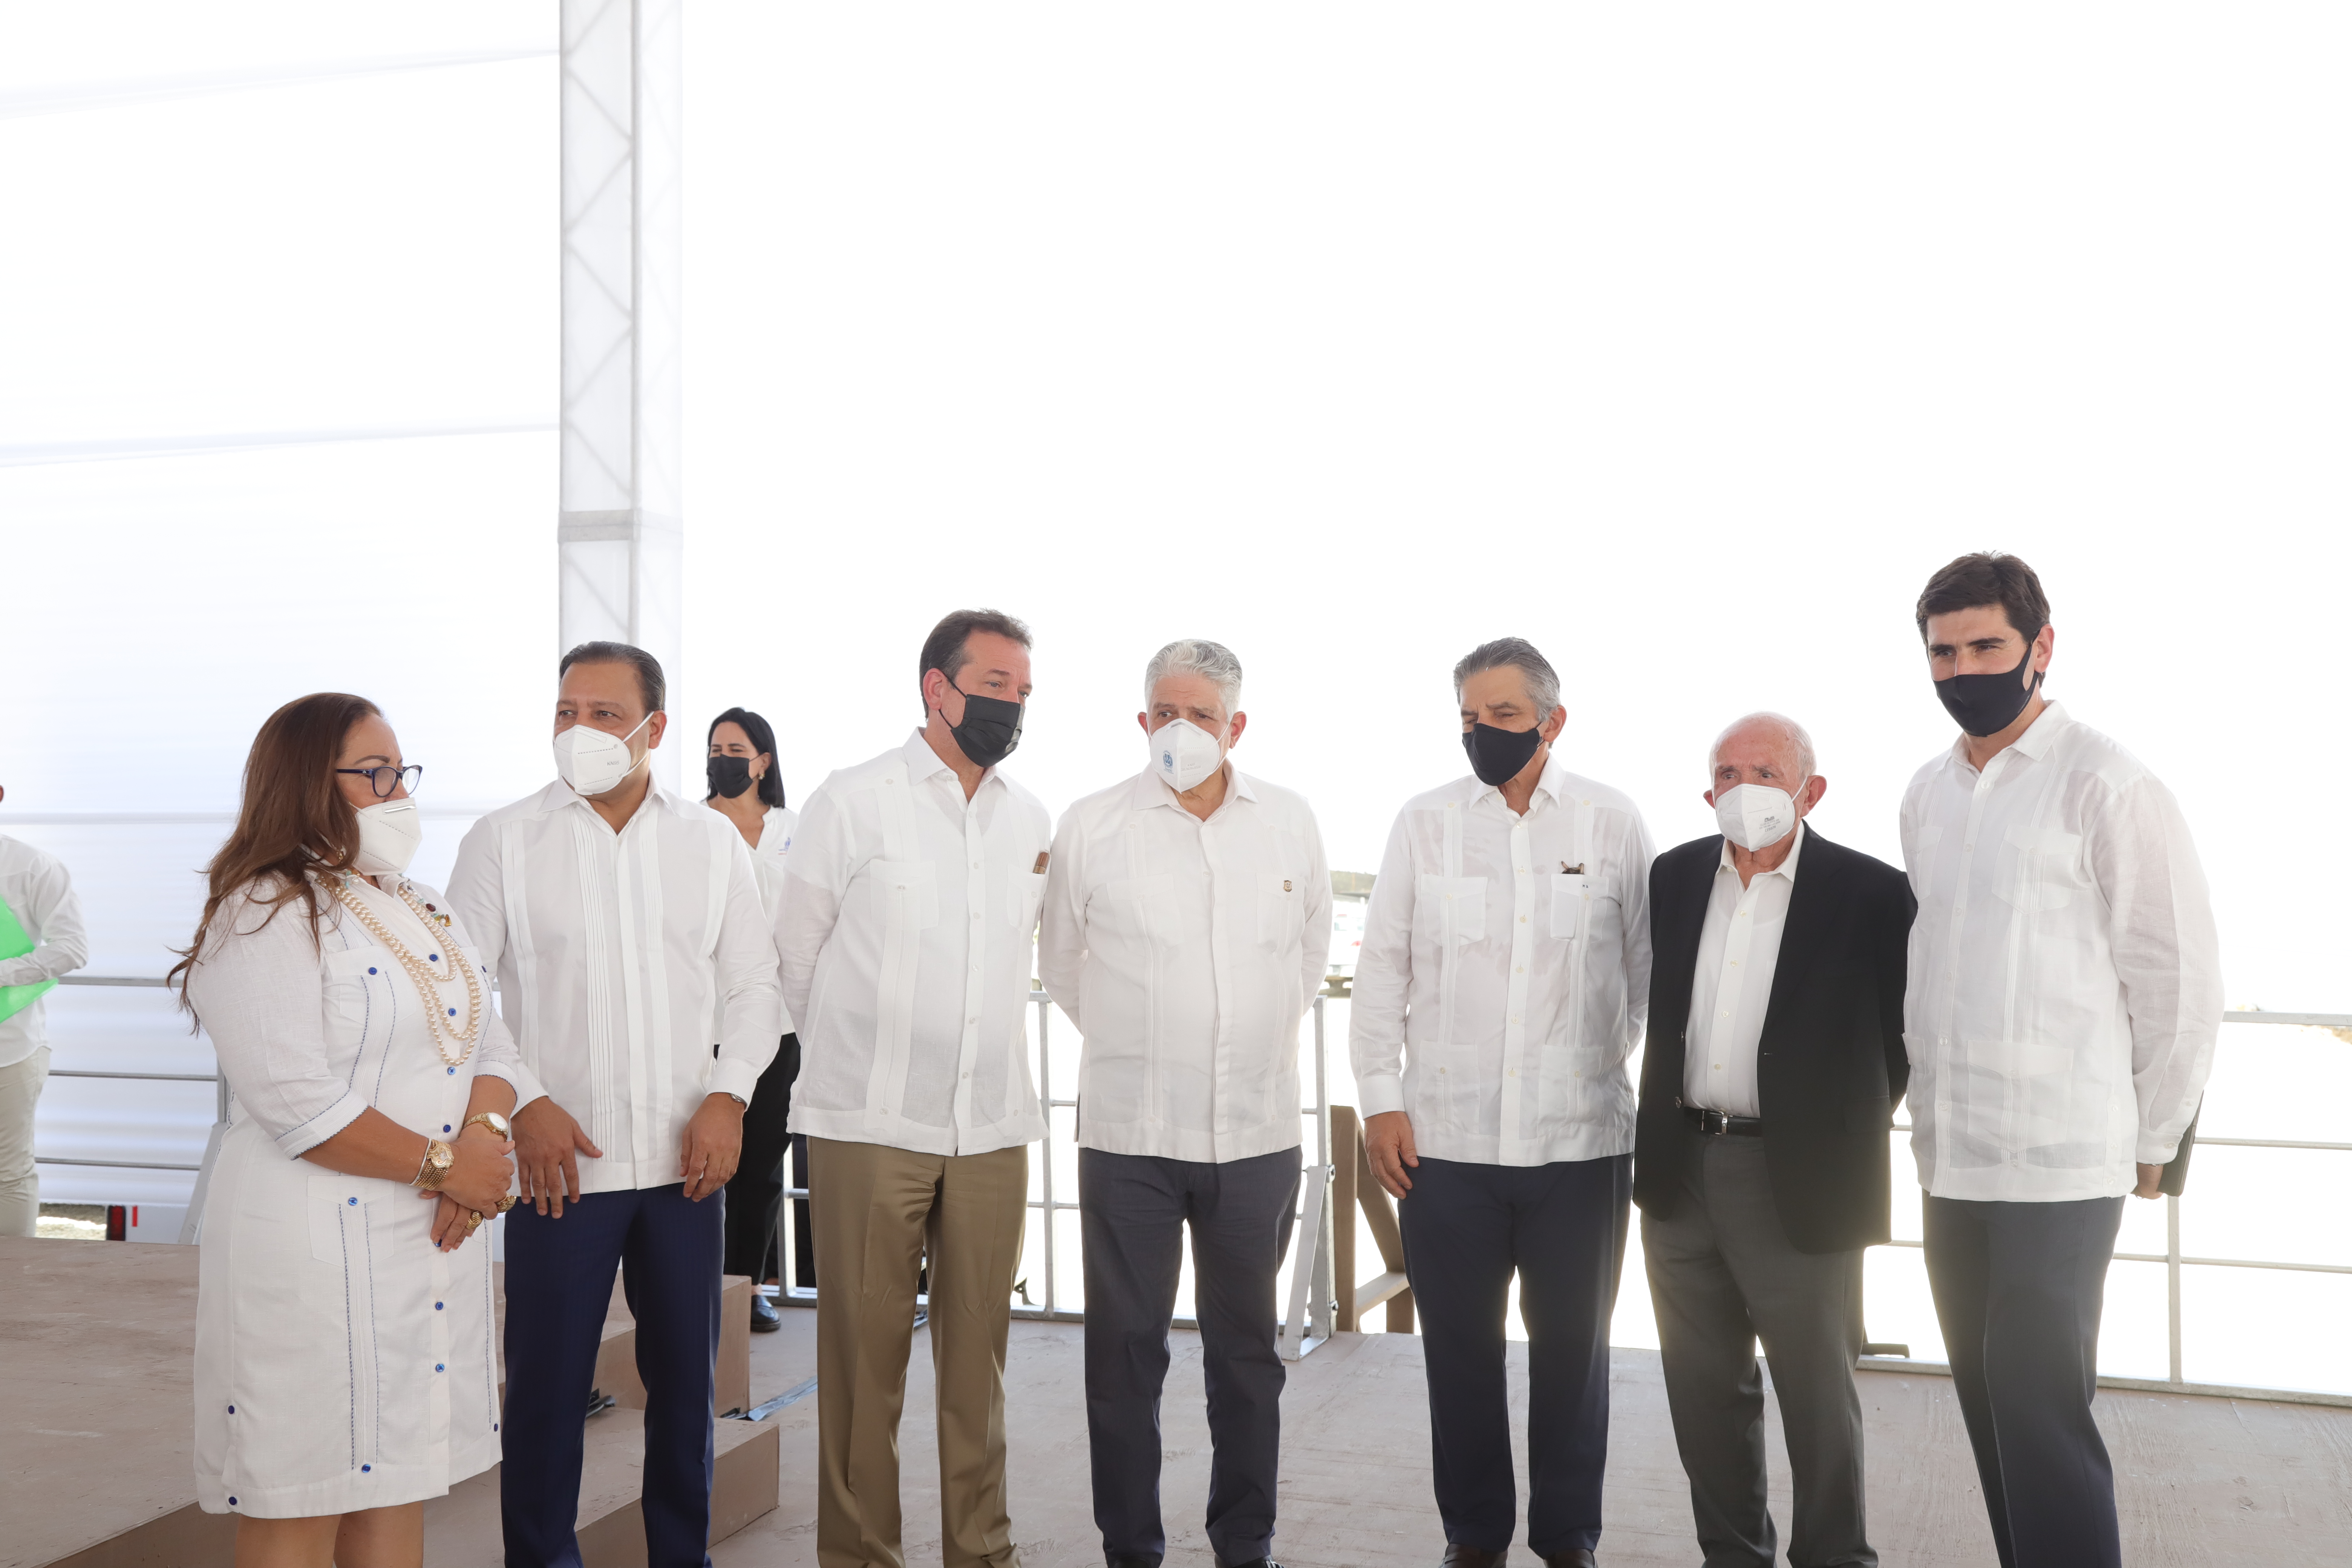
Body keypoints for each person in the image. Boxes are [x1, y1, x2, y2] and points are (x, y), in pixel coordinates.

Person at [1903, 552, 2220, 1568]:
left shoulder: (2109, 783)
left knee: (2040, 1411)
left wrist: (2154, 1134)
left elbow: (2176, 976)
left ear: (2040, 647)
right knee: (1988, 1408)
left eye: (1985, 645)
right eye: (1943, 653)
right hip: (1951, 1156)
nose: (1962, 669)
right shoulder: (1926, 793)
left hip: (2061, 1160)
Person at [445, 642, 782, 1568]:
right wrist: (527, 1102)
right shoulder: (502, 840)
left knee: (685, 1394)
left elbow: (755, 986)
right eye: (566, 711)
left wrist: (729, 1096)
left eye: (603, 714)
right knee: (547, 1394)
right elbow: (459, 996)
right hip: (559, 1170)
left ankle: (681, 1557)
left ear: (654, 728)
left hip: (685, 1166)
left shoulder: (710, 842)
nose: (578, 729)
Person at [172, 693, 522, 1567]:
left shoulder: (424, 903)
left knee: (396, 1485)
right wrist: (448, 1167)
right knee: (302, 1494)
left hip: (426, 1232)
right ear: (306, 782)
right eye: (375, 773)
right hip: (313, 1245)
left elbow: (492, 1040)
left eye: (402, 771)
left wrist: (483, 1136)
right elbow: (295, 1097)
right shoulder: (264, 909)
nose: (398, 792)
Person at [1352, 637, 1655, 1568]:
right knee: (1458, 1353)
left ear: (1552, 722)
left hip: (1581, 1146)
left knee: (1575, 1355)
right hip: (1444, 1146)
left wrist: (1593, 1066)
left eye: (1504, 714)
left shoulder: (1612, 821)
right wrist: (1380, 1100)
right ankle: (1475, 1534)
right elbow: (1381, 970)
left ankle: (1567, 1538)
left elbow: (1646, 971)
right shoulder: (1424, 821)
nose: (1483, 731)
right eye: (1469, 717)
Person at [1039, 639, 1333, 1568]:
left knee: (1246, 1358)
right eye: (1165, 712)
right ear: (1142, 720)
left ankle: (1246, 1542)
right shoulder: (1092, 825)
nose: (1181, 728)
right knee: (1124, 1356)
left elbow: (1308, 955)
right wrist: (1142, 1043)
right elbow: (1061, 964)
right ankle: (1131, 1548)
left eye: (1200, 714)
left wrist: (1241, 1041)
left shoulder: (1289, 822)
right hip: (1130, 1134)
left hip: (1256, 1134)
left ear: (1235, 726)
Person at [777, 608, 1051, 1568]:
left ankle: (982, 1552)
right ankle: (861, 1555)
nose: (1012, 705)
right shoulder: (852, 800)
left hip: (991, 1124)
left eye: (1023, 690)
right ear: (938, 687)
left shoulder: (1029, 818)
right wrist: (859, 1051)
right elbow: (794, 955)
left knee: (981, 1366)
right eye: (994, 685)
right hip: (868, 1123)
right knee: (864, 1365)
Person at [1632, 714, 1915, 1568]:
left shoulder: (1873, 892)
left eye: (1765, 771)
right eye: (1728, 772)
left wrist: (1828, 1132)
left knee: (1817, 1394)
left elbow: (1902, 1041)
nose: (1744, 786)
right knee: (1703, 1391)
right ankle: (1731, 1555)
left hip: (1797, 1177)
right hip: (1681, 1169)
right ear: (1708, 791)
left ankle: (1835, 1556)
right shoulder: (1675, 875)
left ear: (1809, 791)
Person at [704, 706, 803, 1333]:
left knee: (762, 1161)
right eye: (716, 750)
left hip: (781, 1023)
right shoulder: (693, 827)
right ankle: (699, 1285)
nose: (723, 760)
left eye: (736, 751)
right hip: (707, 1023)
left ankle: (749, 1287)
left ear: (763, 761)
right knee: (702, 1160)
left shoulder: (796, 830)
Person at [0, 784, 90, 1237]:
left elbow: (72, 948)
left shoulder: (32, 866)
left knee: (9, 1172)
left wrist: (2, 972)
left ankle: (14, 1275)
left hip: (9, 1049)